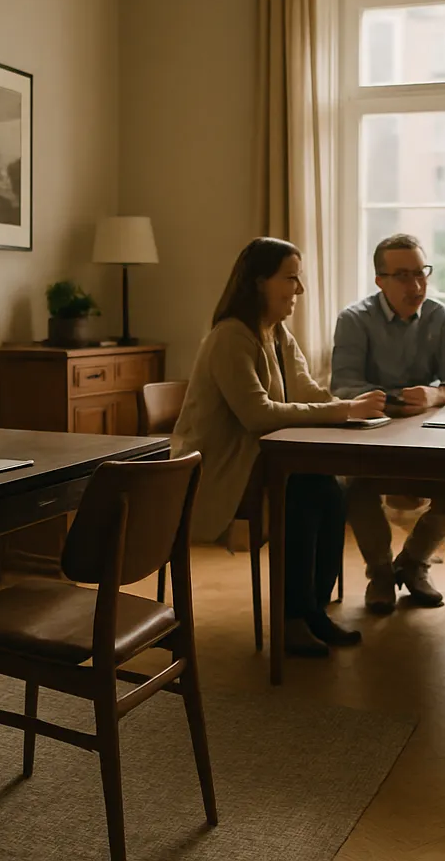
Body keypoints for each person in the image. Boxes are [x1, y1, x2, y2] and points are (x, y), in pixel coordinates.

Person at [171, 237, 387, 658]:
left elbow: (305, 389)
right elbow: (259, 415)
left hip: (256, 461)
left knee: (329, 489)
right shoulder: (231, 337)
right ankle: (292, 619)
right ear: (258, 283)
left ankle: (311, 612)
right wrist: (344, 410)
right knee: (304, 492)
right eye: (290, 279)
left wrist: (357, 410)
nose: (298, 290)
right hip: (214, 468)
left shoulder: (276, 333)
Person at [331, 234, 445, 613]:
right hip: (373, 444)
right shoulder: (354, 319)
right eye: (402, 276)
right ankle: (380, 573)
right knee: (353, 489)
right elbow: (344, 387)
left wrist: (438, 395)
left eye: (421, 273)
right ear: (379, 280)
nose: (415, 286)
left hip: (432, 446)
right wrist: (399, 400)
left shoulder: (444, 320)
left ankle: (412, 563)